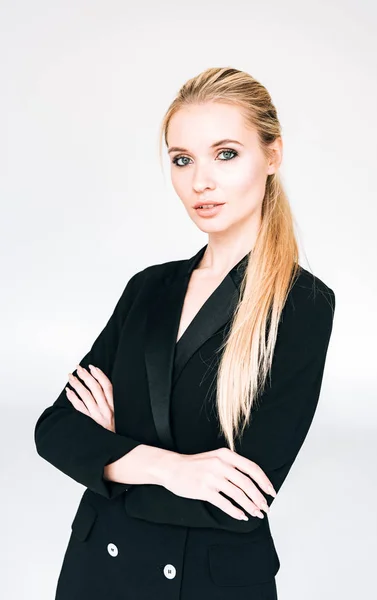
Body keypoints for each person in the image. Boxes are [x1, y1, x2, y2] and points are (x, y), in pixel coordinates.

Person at [34, 66, 336, 600]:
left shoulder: (302, 304)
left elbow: (238, 503)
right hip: (96, 572)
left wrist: (109, 452)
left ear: (272, 155)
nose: (201, 181)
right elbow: (55, 430)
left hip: (203, 583)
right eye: (182, 160)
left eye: (226, 154)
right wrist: (171, 468)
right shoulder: (147, 289)